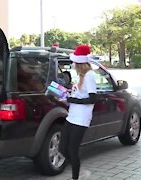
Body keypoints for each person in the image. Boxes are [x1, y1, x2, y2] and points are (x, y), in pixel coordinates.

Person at [59, 45, 97, 180]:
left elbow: (93, 98)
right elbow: (80, 95)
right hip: (72, 116)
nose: (73, 65)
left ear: (80, 63)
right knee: (62, 148)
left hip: (81, 119)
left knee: (72, 150)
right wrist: (67, 95)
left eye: (75, 63)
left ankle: (77, 176)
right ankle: (79, 170)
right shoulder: (81, 76)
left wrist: (72, 99)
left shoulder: (90, 75)